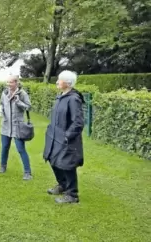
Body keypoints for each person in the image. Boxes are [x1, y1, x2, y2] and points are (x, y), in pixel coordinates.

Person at [43, 70, 85, 204]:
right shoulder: (61, 96)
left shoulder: (73, 99)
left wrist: (67, 136)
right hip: (55, 137)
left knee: (67, 165)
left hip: (67, 140)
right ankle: (62, 185)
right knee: (52, 159)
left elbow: (78, 122)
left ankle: (72, 195)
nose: (57, 82)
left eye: (59, 80)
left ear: (67, 83)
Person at [0, 75, 33, 180]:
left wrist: (18, 102)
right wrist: (0, 110)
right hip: (5, 125)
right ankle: (3, 166)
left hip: (18, 127)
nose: (8, 84)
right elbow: (1, 104)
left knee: (21, 149)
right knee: (4, 148)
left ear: (16, 83)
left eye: (11, 82)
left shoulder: (22, 94)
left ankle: (27, 172)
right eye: (7, 82)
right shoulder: (4, 93)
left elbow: (29, 107)